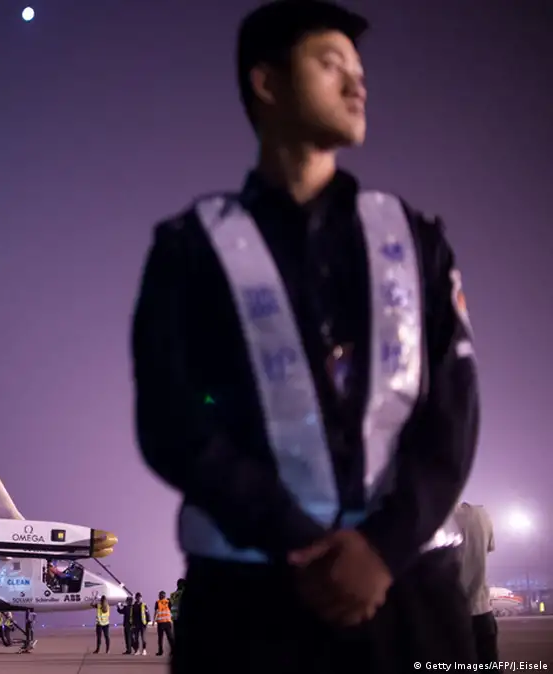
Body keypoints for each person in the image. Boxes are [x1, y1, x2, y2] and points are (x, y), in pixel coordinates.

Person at [129, 1, 480, 671]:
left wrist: (380, 549)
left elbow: (454, 410)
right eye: (331, 64)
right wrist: (296, 540)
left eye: (360, 70)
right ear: (266, 83)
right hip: (248, 601)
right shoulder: (192, 248)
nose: (357, 82)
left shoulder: (414, 240)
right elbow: (170, 420)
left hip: (407, 592)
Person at [453, 502, 499, 664]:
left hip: (447, 615)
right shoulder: (481, 515)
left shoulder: (433, 519)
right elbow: (488, 548)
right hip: (482, 612)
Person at [154, 591, 175, 656]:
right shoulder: (162, 602)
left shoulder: (166, 602)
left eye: (160, 595)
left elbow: (156, 611)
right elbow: (156, 611)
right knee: (167, 638)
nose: (159, 596)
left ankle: (162, 651)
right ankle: (163, 651)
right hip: (164, 622)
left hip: (164, 622)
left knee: (165, 638)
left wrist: (153, 620)